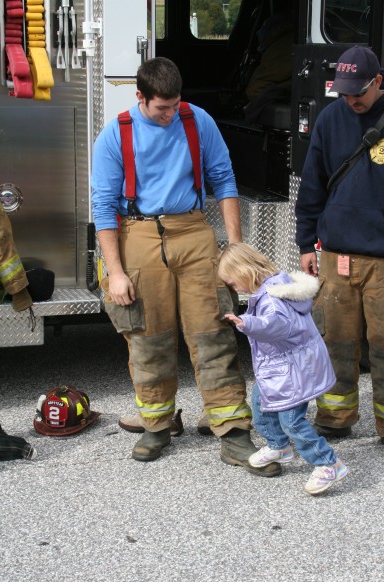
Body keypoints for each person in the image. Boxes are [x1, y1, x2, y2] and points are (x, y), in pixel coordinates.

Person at [91, 57, 281, 477]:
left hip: (193, 232)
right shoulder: (115, 134)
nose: (171, 113)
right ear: (140, 97)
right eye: (162, 107)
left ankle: (232, 430)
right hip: (138, 234)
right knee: (147, 338)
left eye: (176, 104)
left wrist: (234, 246)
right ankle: (157, 425)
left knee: (213, 333)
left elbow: (224, 180)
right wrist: (116, 272)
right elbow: (103, 208)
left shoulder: (198, 121)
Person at [295, 45, 384, 458]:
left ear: (377, 82)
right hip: (336, 257)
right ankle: (335, 418)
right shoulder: (331, 118)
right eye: (345, 91)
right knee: (335, 341)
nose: (352, 100)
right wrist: (305, 243)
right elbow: (312, 183)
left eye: (359, 92)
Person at [218, 242, 349, 495]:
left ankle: (328, 463)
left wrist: (247, 322)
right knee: (260, 405)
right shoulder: (275, 287)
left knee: (292, 421)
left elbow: (278, 326)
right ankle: (279, 446)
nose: (234, 288)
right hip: (279, 369)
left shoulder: (271, 298)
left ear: (245, 271)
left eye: (233, 283)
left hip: (291, 372)